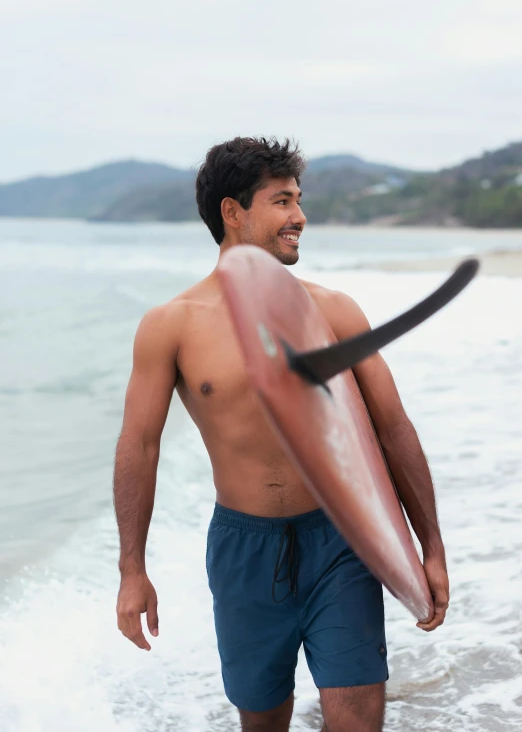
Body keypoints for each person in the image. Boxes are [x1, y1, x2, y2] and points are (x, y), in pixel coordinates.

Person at [114, 137, 449, 732]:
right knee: (263, 720)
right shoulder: (172, 325)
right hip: (244, 551)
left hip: (340, 542)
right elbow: (139, 445)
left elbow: (394, 430)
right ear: (232, 212)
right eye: (282, 201)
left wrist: (431, 548)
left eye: (299, 200)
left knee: (357, 718)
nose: (299, 217)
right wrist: (132, 570)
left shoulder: (335, 311)